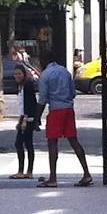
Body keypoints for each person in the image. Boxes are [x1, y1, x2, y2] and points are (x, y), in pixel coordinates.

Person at [36, 49, 92, 188]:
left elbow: (42, 99)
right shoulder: (65, 72)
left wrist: (37, 118)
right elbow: (73, 93)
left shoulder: (45, 75)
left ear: (43, 61)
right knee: (74, 141)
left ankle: (53, 178)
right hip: (68, 109)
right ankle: (86, 173)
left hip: (56, 110)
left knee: (52, 142)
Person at [9, 64, 38, 179]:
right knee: (24, 143)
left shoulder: (28, 85)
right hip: (24, 117)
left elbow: (31, 103)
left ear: (24, 74)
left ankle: (26, 171)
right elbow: (22, 106)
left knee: (22, 143)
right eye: (15, 74)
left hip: (29, 118)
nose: (17, 76)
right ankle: (24, 171)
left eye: (19, 73)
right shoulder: (20, 86)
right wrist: (19, 120)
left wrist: (25, 120)